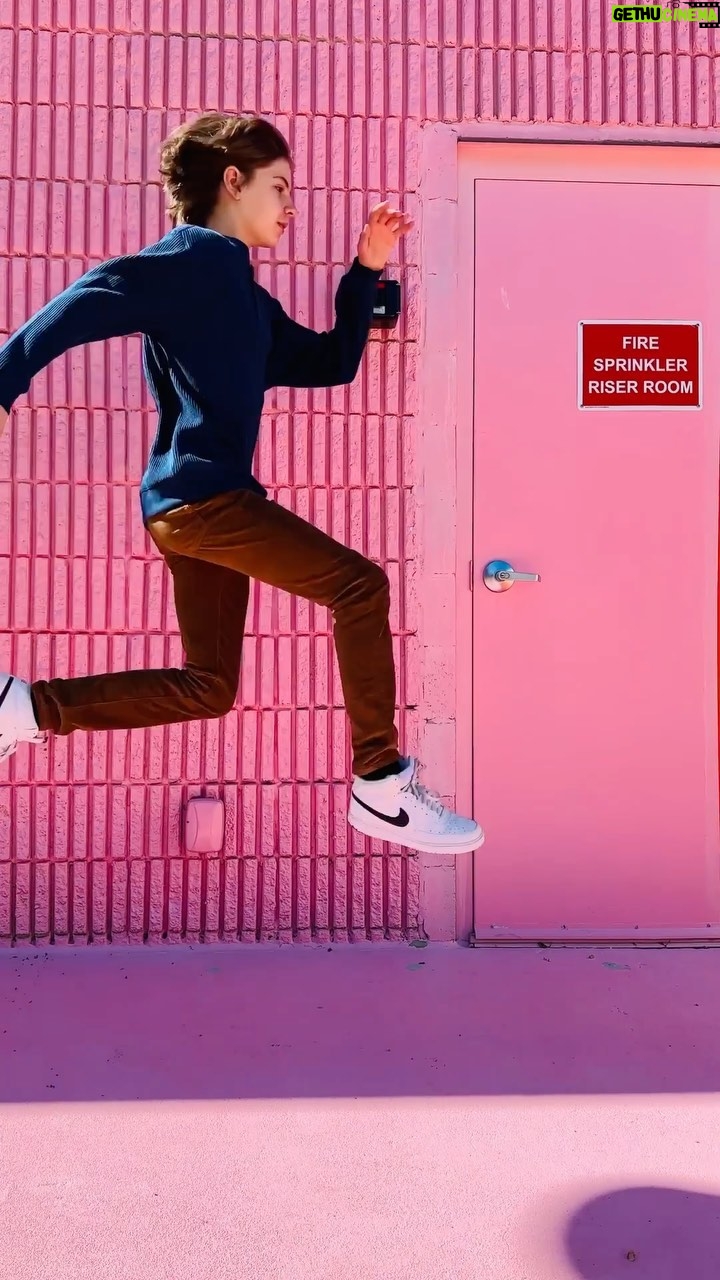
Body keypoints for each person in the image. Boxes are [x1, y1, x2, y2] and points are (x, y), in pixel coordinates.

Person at [0, 111, 484, 857]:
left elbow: (330, 363)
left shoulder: (246, 300)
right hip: (204, 501)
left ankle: (24, 709)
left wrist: (364, 271)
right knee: (359, 587)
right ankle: (381, 785)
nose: (291, 207)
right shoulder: (191, 263)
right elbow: (86, 299)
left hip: (196, 506)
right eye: (280, 187)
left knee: (208, 686)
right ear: (232, 181)